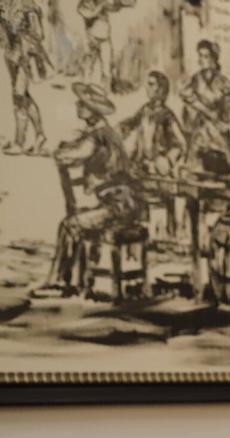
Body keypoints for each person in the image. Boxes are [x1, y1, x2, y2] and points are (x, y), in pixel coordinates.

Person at [33, 82, 139, 297]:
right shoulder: (104, 133)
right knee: (76, 221)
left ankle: (60, 282)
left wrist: (59, 153)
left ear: (93, 110)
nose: (78, 105)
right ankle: (76, 279)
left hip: (117, 207)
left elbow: (76, 154)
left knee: (69, 225)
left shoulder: (99, 135)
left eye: (83, 103)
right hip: (119, 203)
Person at [180, 39, 230, 176]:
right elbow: (184, 94)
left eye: (206, 56)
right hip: (201, 128)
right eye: (200, 55)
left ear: (213, 59)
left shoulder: (221, 80)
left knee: (222, 168)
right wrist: (200, 108)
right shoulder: (196, 79)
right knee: (195, 169)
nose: (202, 59)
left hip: (217, 128)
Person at [0, 0, 47, 155]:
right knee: (21, 97)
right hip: (11, 54)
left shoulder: (28, 5)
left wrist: (22, 37)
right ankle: (39, 135)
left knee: (19, 95)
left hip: (25, 56)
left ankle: (19, 142)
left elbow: (39, 34)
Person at [119, 70, 185, 176]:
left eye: (151, 84)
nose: (147, 88)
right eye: (148, 84)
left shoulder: (167, 115)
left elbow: (180, 144)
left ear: (160, 88)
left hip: (158, 168)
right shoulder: (145, 110)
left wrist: (168, 161)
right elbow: (132, 123)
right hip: (141, 165)